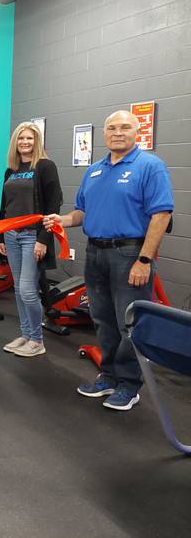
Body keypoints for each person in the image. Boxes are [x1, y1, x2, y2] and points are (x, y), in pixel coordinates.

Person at [44, 110, 173, 411]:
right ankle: (109, 375)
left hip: (130, 253)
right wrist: (60, 219)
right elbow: (82, 213)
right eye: (112, 128)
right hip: (95, 253)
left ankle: (129, 385)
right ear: (104, 134)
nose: (117, 132)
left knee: (128, 321)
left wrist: (144, 259)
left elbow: (161, 215)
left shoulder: (150, 167)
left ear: (137, 131)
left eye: (125, 127)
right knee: (102, 319)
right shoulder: (95, 170)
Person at [0, 122, 62, 357]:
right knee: (18, 288)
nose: (25, 142)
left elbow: (54, 204)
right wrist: (0, 235)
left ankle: (37, 339)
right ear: (15, 142)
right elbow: (5, 205)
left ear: (37, 142)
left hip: (32, 235)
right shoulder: (11, 170)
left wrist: (44, 238)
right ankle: (25, 334)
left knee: (27, 289)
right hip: (11, 235)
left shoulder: (45, 166)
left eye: (30, 138)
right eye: (21, 138)